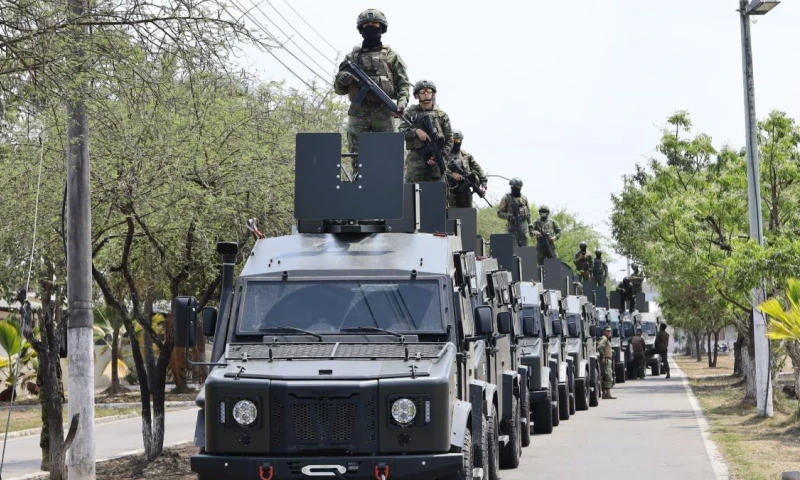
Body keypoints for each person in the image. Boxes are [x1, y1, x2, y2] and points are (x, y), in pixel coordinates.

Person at [334, 9, 411, 153]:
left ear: (381, 28)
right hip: (358, 113)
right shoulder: (351, 58)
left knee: (387, 156)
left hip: (384, 113)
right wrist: (342, 80)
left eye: (375, 24)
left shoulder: (391, 56)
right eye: (366, 24)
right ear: (361, 29)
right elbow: (338, 90)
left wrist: (401, 104)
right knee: (357, 157)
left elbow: (403, 84)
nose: (370, 27)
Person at [399, 80, 453, 183]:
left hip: (436, 163)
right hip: (415, 162)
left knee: (437, 191)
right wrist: (416, 131)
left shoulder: (442, 115)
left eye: (429, 91)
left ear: (433, 94)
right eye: (422, 92)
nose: (426, 94)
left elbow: (449, 139)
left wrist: (439, 156)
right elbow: (401, 131)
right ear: (416, 95)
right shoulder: (411, 113)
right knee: (410, 190)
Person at [445, 129, 487, 208]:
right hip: (449, 191)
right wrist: (451, 174)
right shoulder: (444, 154)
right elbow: (439, 168)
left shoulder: (466, 156)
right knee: (451, 213)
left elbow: (478, 169)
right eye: (454, 140)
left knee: (467, 213)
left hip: (464, 192)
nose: (456, 142)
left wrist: (484, 184)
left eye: (458, 140)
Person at [496, 178, 531, 247]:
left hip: (524, 226)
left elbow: (528, 213)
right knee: (512, 248)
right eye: (517, 186)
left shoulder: (524, 198)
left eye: (520, 186)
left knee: (525, 249)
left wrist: (530, 225)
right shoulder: (506, 198)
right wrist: (509, 216)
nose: (518, 188)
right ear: (512, 186)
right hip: (512, 226)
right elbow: (499, 213)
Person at [597, 325, 616, 399]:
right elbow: (599, 346)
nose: (609, 332)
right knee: (608, 377)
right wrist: (603, 356)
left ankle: (605, 394)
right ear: (604, 332)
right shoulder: (604, 338)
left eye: (610, 331)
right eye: (607, 331)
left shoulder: (607, 339)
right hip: (606, 360)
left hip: (608, 360)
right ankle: (607, 394)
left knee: (606, 377)